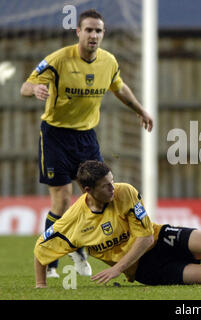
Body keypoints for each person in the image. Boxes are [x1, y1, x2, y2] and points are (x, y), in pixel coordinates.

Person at [21, 9, 153, 279]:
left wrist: (140, 109)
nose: (94, 35)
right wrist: (35, 89)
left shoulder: (108, 62)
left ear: (103, 34)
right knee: (63, 199)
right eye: (89, 30)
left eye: (98, 31)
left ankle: (80, 250)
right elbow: (26, 85)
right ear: (78, 32)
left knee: (94, 197)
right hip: (55, 135)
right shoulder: (58, 60)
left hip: (86, 135)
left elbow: (119, 87)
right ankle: (52, 264)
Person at [33, 160, 201, 288]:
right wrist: (40, 286)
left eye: (112, 181)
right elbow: (41, 250)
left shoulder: (125, 191)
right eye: (106, 186)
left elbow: (143, 238)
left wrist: (115, 269)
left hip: (159, 237)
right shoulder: (73, 221)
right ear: (87, 190)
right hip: (145, 269)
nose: (113, 188)